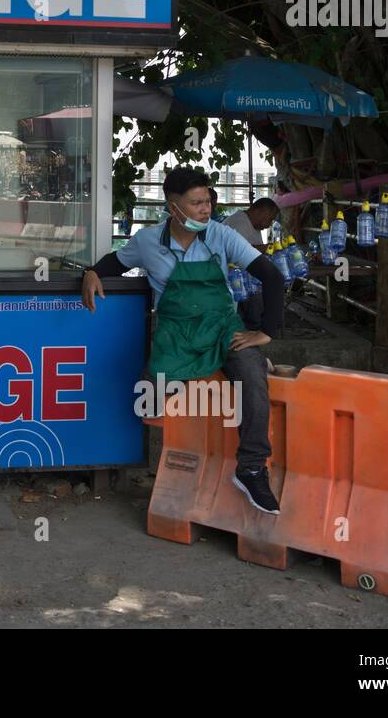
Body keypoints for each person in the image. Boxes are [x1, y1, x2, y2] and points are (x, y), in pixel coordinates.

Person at [81, 166, 284, 514]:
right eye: (196, 203)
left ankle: (251, 468)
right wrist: (92, 273)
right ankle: (181, 462)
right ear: (172, 207)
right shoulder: (147, 242)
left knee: (252, 378)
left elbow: (271, 275)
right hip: (176, 333)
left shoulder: (221, 235)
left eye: (207, 201)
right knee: (150, 399)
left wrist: (266, 331)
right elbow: (113, 263)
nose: (206, 209)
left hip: (223, 328)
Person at [224, 198, 281, 331]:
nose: (269, 224)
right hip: (234, 277)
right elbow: (239, 252)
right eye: (270, 218)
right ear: (261, 211)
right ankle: (254, 328)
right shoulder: (240, 222)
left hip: (244, 276)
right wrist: (267, 248)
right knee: (257, 294)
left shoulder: (252, 224)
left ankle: (256, 326)